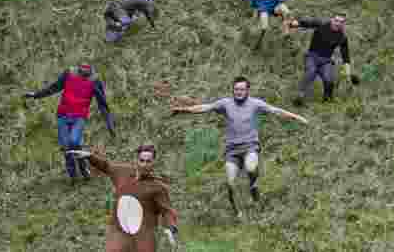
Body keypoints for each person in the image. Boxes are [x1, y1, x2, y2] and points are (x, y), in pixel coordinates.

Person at [170, 77, 308, 219]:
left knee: (251, 168)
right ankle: (237, 212)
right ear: (233, 90)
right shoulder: (225, 103)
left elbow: (276, 111)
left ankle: (253, 185)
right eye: (236, 89)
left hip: (250, 146)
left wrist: (297, 117)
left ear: (248, 90)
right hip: (232, 151)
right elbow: (205, 107)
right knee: (230, 184)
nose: (239, 92)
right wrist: (183, 110)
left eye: (242, 89)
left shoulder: (255, 104)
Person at [65, 144, 179, 251]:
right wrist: (90, 156)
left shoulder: (157, 187)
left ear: (153, 162)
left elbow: (167, 210)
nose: (144, 164)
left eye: (148, 161)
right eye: (142, 160)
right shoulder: (123, 172)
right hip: (119, 231)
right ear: (137, 160)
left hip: (143, 234)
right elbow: (106, 166)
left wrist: (170, 228)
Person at [24, 63, 116, 180]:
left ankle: (83, 169)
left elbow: (102, 104)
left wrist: (109, 124)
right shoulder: (69, 74)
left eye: (87, 74)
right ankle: (73, 175)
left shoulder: (94, 81)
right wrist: (36, 95)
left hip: (79, 117)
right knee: (66, 147)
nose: (84, 75)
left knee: (74, 142)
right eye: (82, 72)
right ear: (78, 70)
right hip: (62, 115)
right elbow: (54, 87)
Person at [283, 13, 360, 104]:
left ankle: (327, 100)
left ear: (343, 24)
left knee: (329, 80)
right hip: (312, 56)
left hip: (326, 60)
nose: (337, 23)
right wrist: (291, 24)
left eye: (341, 22)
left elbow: (345, 56)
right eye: (336, 20)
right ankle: (300, 96)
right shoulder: (321, 24)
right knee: (311, 72)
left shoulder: (342, 37)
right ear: (332, 20)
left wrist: (348, 73)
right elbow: (307, 23)